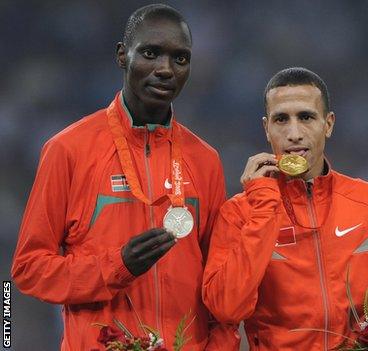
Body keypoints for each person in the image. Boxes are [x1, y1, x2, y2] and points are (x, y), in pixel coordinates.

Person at [11, 4, 234, 350]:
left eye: (180, 58)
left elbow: (218, 285)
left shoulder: (205, 160)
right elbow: (29, 270)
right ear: (121, 55)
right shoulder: (68, 149)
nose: (165, 69)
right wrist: (116, 267)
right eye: (150, 53)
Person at [202, 67, 368, 350]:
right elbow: (226, 308)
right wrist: (264, 206)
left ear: (328, 124)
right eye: (281, 119)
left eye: (306, 117)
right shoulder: (239, 213)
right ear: (266, 128)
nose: (294, 133)